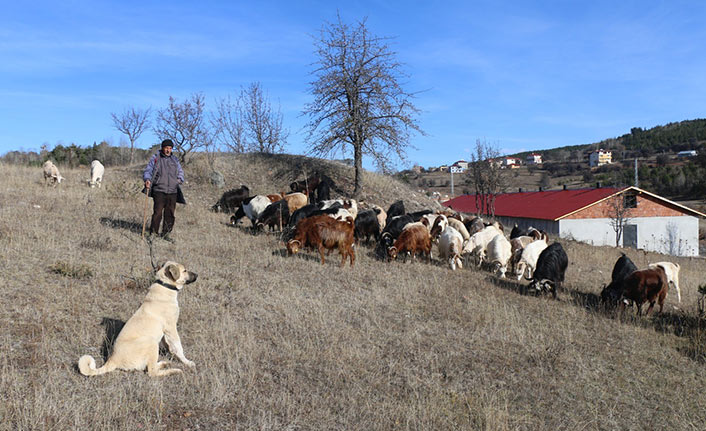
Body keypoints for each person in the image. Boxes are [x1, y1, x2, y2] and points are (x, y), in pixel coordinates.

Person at [143, 139, 185, 241]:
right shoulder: (156, 158)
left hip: (172, 191)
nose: (168, 150)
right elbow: (148, 170)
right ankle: (153, 232)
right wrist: (147, 180)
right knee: (157, 212)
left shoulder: (174, 160)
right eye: (166, 148)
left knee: (170, 213)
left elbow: (180, 171)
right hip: (159, 190)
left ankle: (166, 234)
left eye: (170, 148)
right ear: (162, 148)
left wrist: (178, 180)